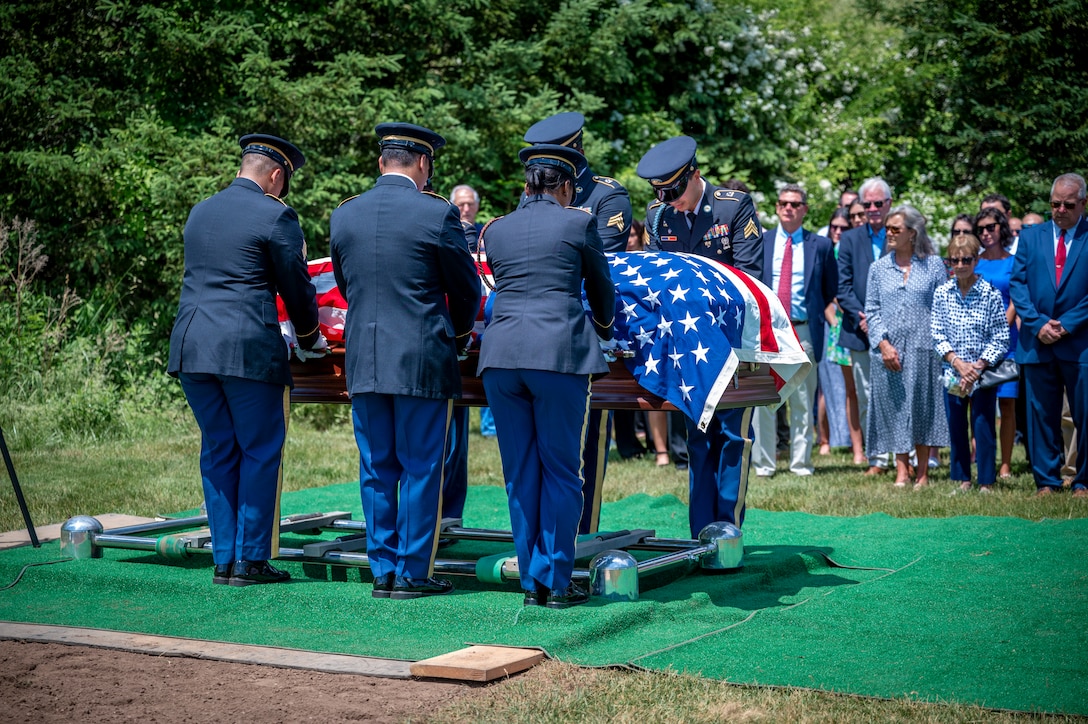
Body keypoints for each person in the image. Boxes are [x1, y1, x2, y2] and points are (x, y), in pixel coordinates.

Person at [168, 133, 327, 587]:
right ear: (277, 175)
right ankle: (251, 560)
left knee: (219, 450)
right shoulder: (276, 216)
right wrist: (310, 336)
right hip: (245, 349)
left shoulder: (202, 211)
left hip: (193, 345)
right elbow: (296, 288)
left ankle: (224, 558)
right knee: (258, 450)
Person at [330, 123, 481, 599]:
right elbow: (467, 288)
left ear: (381, 163)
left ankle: (381, 570)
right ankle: (413, 573)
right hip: (421, 357)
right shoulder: (436, 214)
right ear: (423, 164)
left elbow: (344, 281)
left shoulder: (345, 214)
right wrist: (457, 335)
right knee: (420, 467)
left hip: (366, 357)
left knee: (376, 467)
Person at [478, 143, 616, 608]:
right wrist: (605, 328)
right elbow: (601, 289)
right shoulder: (578, 221)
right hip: (558, 355)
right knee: (561, 471)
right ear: (565, 186)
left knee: (520, 473)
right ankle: (556, 580)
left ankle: (531, 582)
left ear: (526, 184)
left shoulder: (496, 230)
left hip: (501, 358)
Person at [637, 135, 764, 535]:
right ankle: (699, 537)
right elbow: (657, 282)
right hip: (686, 350)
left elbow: (750, 277)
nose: (670, 201)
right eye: (662, 193)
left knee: (732, 438)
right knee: (698, 439)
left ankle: (726, 535)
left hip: (731, 344)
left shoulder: (732, 206)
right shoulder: (660, 216)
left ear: (694, 175)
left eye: (674, 191)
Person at [522, 112, 633, 533]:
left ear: (577, 152)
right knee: (535, 449)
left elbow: (606, 267)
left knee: (580, 449)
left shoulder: (607, 197)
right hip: (538, 332)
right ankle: (540, 535)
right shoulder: (532, 194)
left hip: (583, 332)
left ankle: (577, 534)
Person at [1009, 173, 1088, 497]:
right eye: (1055, 204)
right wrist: (1038, 323)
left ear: (1083, 203)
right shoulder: (1031, 237)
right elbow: (1018, 283)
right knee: (1041, 414)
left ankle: (1083, 480)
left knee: (1084, 414)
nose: (1060, 210)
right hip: (1037, 340)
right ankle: (1047, 481)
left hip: (1079, 342)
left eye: (1068, 204)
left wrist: (1067, 323)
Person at [752, 184, 837, 477]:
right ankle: (763, 464)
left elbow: (829, 290)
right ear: (777, 207)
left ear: (805, 209)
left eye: (795, 204)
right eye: (783, 203)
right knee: (763, 399)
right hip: (767, 332)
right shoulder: (761, 242)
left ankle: (801, 463)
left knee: (802, 398)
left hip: (802, 331)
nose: (788, 208)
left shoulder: (821, 246)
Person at [865, 204, 950, 489]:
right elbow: (872, 310)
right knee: (895, 408)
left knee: (924, 408)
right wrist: (883, 344)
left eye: (895, 229)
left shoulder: (935, 265)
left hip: (925, 348)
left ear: (912, 234)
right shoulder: (878, 268)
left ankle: (923, 473)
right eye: (887, 228)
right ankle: (902, 470)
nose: (888, 233)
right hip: (889, 351)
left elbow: (943, 307)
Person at [931, 234, 1009, 492]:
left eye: (967, 259)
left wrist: (977, 367)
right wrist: (956, 362)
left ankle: (986, 480)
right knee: (956, 424)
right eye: (955, 259)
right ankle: (961, 478)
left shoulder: (990, 293)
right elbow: (937, 333)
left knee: (983, 424)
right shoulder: (942, 293)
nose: (961, 264)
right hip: (952, 372)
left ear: (976, 260)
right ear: (949, 262)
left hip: (982, 373)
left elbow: (1000, 336)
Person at [837, 177, 894, 475]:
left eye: (878, 203)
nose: (872, 209)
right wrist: (866, 317)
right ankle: (878, 458)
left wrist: (881, 320)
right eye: (867, 204)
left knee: (896, 394)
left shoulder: (901, 235)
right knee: (867, 397)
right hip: (859, 331)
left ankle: (902, 456)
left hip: (896, 331)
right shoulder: (849, 239)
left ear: (889, 204)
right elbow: (842, 286)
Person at [974, 207, 1019, 479]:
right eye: (980, 229)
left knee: (1007, 403)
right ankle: (982, 461)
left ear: (1002, 227)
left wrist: (1001, 324)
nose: (986, 233)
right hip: (977, 345)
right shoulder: (973, 262)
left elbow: (1017, 298)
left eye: (991, 227)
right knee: (980, 404)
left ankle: (1005, 465)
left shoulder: (1014, 262)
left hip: (1008, 342)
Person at [819, 208, 865, 463]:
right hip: (841, 325)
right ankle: (848, 446)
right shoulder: (832, 251)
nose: (839, 232)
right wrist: (833, 316)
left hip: (861, 323)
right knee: (845, 390)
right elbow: (830, 289)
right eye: (835, 227)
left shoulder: (859, 247)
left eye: (844, 227)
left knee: (863, 389)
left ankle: (865, 445)